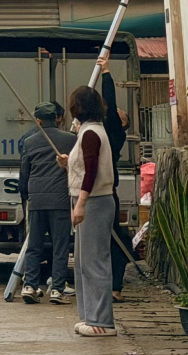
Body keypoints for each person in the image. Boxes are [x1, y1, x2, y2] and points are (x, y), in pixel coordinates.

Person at [58, 86, 117, 337]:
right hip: (89, 199)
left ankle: (101, 321)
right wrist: (67, 164)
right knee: (83, 262)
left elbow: (92, 171)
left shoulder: (91, 133)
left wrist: (80, 203)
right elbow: (85, 166)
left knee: (94, 262)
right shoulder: (89, 131)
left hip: (94, 201)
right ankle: (90, 316)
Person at [18, 102, 76, 305]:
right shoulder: (71, 139)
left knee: (34, 245)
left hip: (36, 200)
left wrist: (25, 197)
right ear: (57, 118)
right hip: (60, 200)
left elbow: (24, 173)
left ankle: (30, 285)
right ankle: (57, 289)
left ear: (38, 121)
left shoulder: (29, 142)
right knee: (60, 247)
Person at [97, 57, 133, 303]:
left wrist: (106, 73)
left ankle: (113, 287)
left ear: (122, 123)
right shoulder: (104, 133)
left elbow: (109, 103)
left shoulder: (114, 133)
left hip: (105, 192)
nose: (118, 112)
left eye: (121, 114)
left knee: (110, 239)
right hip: (107, 189)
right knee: (113, 239)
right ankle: (112, 287)